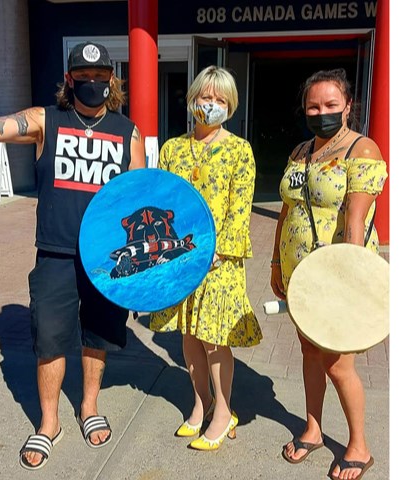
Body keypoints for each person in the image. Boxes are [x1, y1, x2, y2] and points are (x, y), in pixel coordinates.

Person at [0, 41, 145, 470]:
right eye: (84, 77)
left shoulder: (127, 132)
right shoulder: (47, 121)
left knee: (98, 335)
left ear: (112, 81)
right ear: (70, 79)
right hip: (56, 253)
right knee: (48, 338)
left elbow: (138, 198)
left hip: (107, 257)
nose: (94, 84)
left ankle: (89, 406)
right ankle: (49, 422)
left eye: (101, 78)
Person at [270, 69, 387, 479]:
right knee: (308, 352)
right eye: (313, 106)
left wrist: (350, 280)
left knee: (338, 363)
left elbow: (356, 220)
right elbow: (286, 209)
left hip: (338, 275)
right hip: (300, 274)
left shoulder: (362, 151)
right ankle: (313, 429)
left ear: (348, 107)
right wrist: (274, 263)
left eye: (330, 105)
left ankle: (360, 445)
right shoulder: (301, 150)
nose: (321, 113)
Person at [148, 65, 261, 451]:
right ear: (193, 98)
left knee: (215, 338)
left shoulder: (238, 150)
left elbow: (239, 208)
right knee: (189, 335)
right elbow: (163, 204)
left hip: (218, 261)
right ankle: (200, 402)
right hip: (180, 259)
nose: (209, 105)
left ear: (229, 106)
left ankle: (224, 410)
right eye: (204, 97)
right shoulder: (173, 148)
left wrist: (216, 251)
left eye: (218, 99)